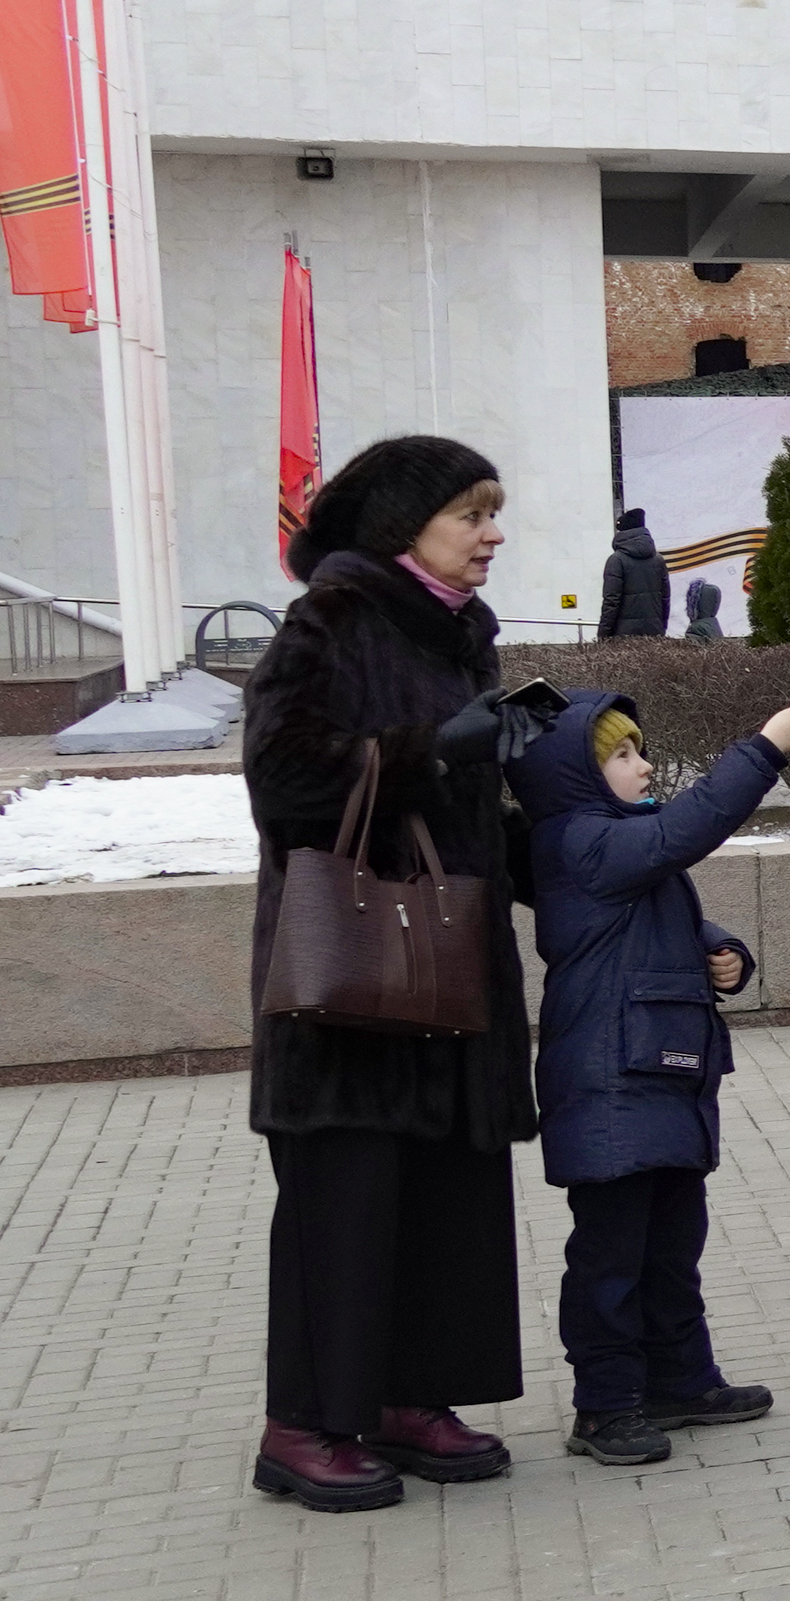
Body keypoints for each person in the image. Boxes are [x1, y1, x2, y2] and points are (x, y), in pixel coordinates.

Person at [241, 435, 539, 1512]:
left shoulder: (463, 632)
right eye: (471, 514)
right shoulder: (335, 617)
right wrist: (426, 749)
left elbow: (473, 796)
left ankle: (415, 1396)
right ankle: (304, 1426)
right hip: (354, 982)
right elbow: (281, 783)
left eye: (493, 512)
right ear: (401, 525)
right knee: (346, 1202)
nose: (492, 534)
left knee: (445, 1197)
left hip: (451, 971)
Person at [513, 682, 790, 1464]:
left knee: (670, 1242)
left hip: (657, 1075)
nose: (645, 767)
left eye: (641, 749)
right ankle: (606, 1406)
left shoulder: (614, 840)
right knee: (611, 1256)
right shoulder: (579, 838)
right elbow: (682, 837)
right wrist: (766, 747)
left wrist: (722, 949)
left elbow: (658, 905)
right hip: (609, 1083)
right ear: (576, 777)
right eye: (622, 755)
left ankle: (681, 1380)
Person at [596, 507, 669, 639]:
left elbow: (611, 601)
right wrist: (662, 628)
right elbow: (665, 599)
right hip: (654, 635)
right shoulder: (658, 560)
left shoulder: (616, 560)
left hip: (623, 636)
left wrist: (603, 635)